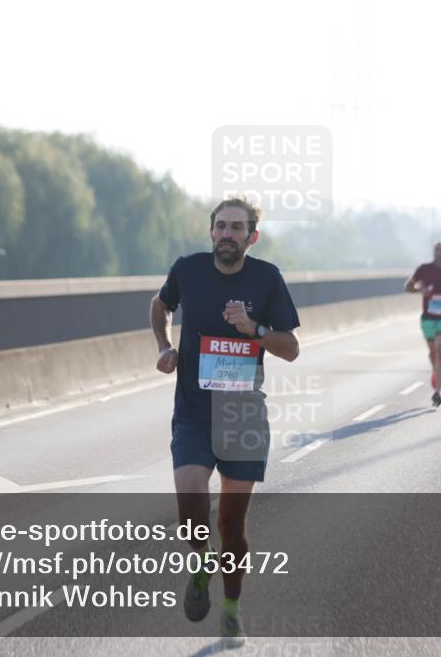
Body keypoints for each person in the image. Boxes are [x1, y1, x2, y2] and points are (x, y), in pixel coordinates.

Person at [150, 197, 300, 647]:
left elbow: (291, 348)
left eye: (237, 227)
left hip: (242, 414)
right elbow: (160, 305)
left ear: (252, 236)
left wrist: (255, 329)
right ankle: (200, 562)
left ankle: (232, 610)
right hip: (193, 411)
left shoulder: (267, 278)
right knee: (190, 504)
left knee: (232, 527)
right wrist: (164, 346)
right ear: (211, 232)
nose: (227, 234)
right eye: (221, 226)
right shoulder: (188, 270)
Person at [405, 241, 441, 407]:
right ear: (433, 252)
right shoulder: (424, 269)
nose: (439, 252)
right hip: (428, 319)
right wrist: (420, 290)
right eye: (436, 249)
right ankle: (436, 371)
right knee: (433, 353)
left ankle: (438, 392)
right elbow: (408, 286)